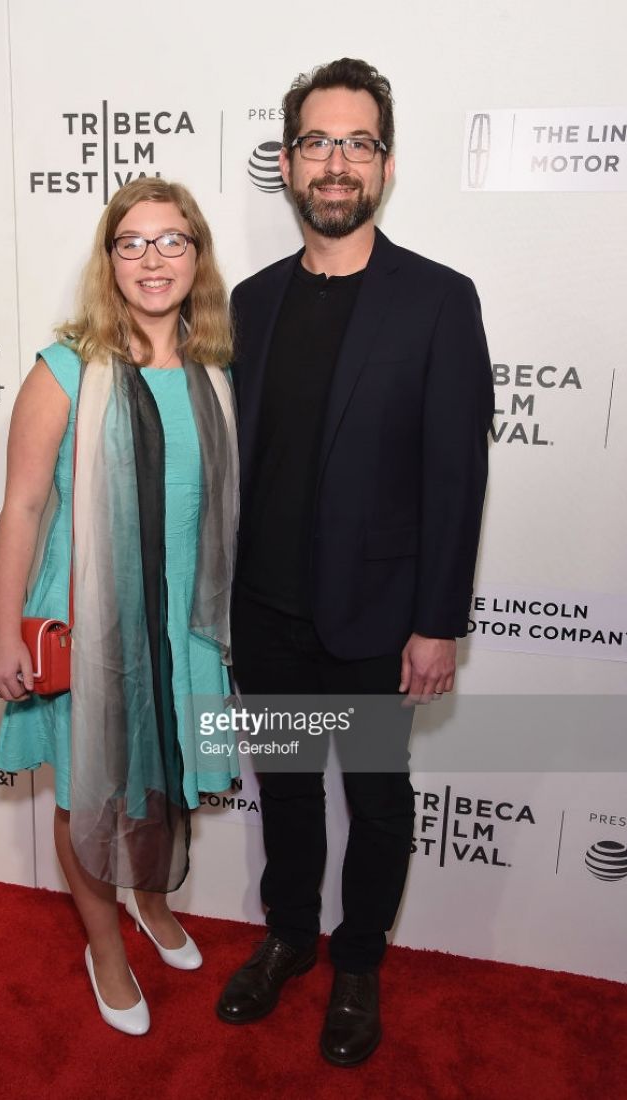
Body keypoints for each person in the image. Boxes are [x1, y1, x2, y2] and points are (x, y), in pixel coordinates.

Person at [216, 59, 494, 1066]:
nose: (336, 163)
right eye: (318, 142)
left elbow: (457, 475)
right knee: (287, 789)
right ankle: (289, 934)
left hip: (378, 619)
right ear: (288, 162)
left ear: (386, 161)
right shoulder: (249, 302)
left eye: (357, 142)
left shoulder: (438, 300)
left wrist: (438, 621)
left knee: (376, 803)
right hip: (266, 610)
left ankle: (360, 960)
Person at [0, 178, 239, 1035]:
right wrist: (5, 632)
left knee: (163, 774)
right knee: (89, 792)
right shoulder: (64, 370)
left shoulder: (214, 373)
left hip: (183, 623)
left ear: (196, 256)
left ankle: (151, 901)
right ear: (109, 261)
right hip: (86, 620)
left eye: (172, 240)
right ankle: (104, 945)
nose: (152, 259)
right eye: (131, 242)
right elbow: (22, 508)